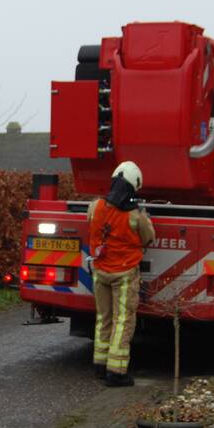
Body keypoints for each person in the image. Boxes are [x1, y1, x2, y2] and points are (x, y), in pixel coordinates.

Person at [87, 160, 155, 387]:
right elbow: (148, 238)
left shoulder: (96, 206)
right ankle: (116, 372)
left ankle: (99, 364)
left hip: (100, 271)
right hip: (124, 273)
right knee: (123, 321)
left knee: (103, 318)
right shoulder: (135, 216)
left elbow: (91, 222)